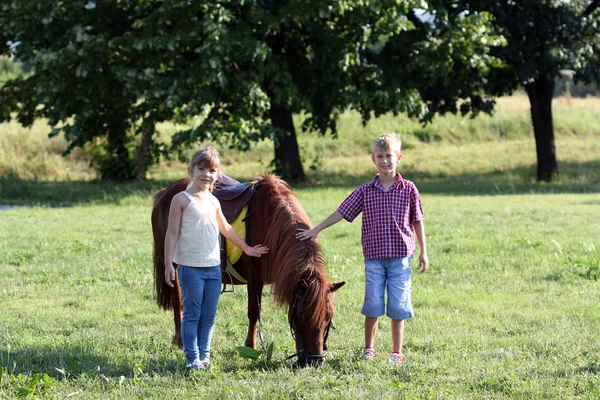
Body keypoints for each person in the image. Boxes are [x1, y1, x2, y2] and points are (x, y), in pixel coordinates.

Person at [296, 133, 429, 365]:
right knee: (373, 304)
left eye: (389, 156)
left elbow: (417, 220)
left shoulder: (409, 189)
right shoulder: (366, 191)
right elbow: (342, 211)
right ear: (373, 159)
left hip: (401, 258)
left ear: (399, 157)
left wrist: (424, 252)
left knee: (398, 305)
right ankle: (369, 348)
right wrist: (317, 229)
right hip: (374, 259)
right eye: (380, 156)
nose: (385, 161)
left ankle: (397, 352)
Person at [164, 145, 268, 370]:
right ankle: (192, 359)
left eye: (211, 171)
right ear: (190, 170)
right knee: (192, 315)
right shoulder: (181, 200)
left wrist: (248, 249)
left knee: (209, 316)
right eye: (201, 169)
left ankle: (204, 357)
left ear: (217, 175)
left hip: (213, 268)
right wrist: (168, 264)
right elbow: (171, 233)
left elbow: (227, 229)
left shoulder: (214, 201)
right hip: (190, 267)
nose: (206, 175)